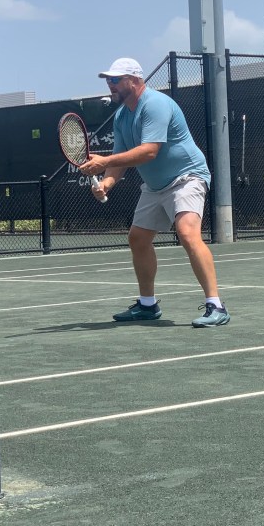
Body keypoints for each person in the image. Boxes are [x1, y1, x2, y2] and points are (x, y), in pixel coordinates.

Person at [79, 57, 230, 328]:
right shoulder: (122, 116)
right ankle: (147, 305)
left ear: (135, 80)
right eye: (108, 80)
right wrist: (107, 183)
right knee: (138, 238)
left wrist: (104, 162)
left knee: (187, 233)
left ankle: (216, 305)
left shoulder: (155, 104)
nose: (110, 84)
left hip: (186, 177)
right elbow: (120, 159)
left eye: (115, 79)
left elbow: (149, 151)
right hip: (155, 186)